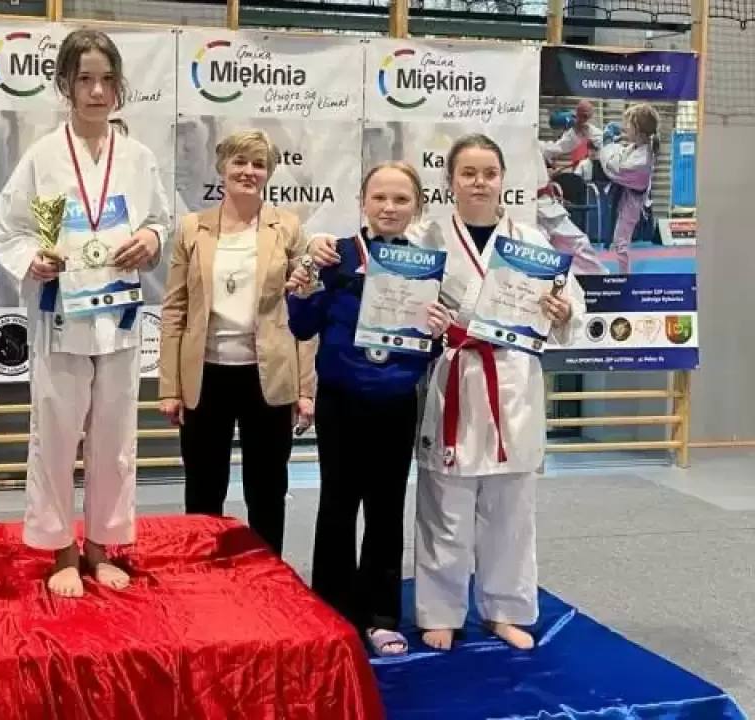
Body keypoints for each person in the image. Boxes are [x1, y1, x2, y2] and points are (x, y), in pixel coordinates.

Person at [0, 28, 170, 598]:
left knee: (115, 439)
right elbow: (10, 229)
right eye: (85, 79)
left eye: (107, 80)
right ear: (65, 84)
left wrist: (151, 239)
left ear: (119, 87)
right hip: (61, 315)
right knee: (55, 435)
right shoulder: (42, 156)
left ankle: (101, 546)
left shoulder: (138, 158)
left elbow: (160, 221)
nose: (97, 91)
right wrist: (33, 259)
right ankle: (61, 550)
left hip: (118, 317)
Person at [404, 134, 584, 652]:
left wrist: (563, 312)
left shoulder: (530, 240)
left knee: (511, 511)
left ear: (503, 179)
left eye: (489, 173)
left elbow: (570, 302)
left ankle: (506, 610)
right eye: (468, 173)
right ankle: (440, 611)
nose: (479, 182)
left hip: (512, 382)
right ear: (450, 181)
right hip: (455, 375)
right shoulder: (426, 237)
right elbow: (397, 303)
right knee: (444, 505)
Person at [285, 162, 454, 656]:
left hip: (396, 403)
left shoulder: (424, 266)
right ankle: (334, 611)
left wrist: (437, 330)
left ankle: (381, 616)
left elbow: (426, 347)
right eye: (380, 197)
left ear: (416, 207)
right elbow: (302, 326)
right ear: (363, 201)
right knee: (337, 507)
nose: (389, 207)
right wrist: (303, 284)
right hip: (340, 402)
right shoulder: (334, 254)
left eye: (401, 199)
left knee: (385, 510)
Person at [158, 130, 317, 557]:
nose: (248, 171)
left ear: (269, 173)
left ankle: (268, 574)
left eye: (258, 164)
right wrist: (170, 387)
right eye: (240, 162)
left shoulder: (288, 227)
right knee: (203, 486)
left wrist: (305, 389)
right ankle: (202, 573)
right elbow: (174, 310)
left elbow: (304, 310)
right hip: (205, 374)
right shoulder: (192, 228)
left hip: (268, 376)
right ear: (222, 168)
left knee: (267, 489)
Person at [600, 103, 660, 274]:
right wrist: (612, 141)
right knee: (618, 240)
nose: (625, 127)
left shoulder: (641, 160)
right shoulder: (639, 146)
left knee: (621, 242)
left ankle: (625, 276)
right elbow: (621, 153)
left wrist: (608, 142)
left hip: (633, 202)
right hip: (627, 194)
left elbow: (613, 167)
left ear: (638, 129)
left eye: (629, 124)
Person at [534, 145, 608, 275]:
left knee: (580, 244)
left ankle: (599, 280)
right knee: (537, 252)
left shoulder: (535, 145)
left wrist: (578, 133)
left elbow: (560, 146)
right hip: (523, 211)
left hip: (547, 207)